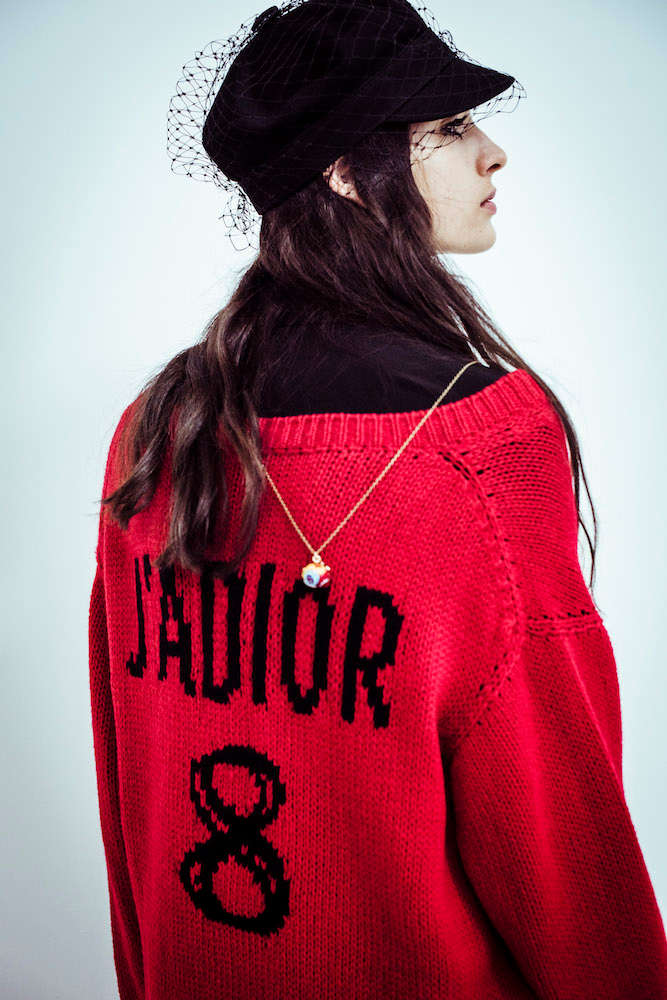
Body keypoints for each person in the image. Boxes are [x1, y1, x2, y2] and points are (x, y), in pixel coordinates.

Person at [88, 1, 667, 998]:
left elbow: (129, 794)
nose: (492, 154)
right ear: (347, 172)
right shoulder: (481, 440)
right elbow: (556, 821)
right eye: (447, 127)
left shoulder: (153, 427)